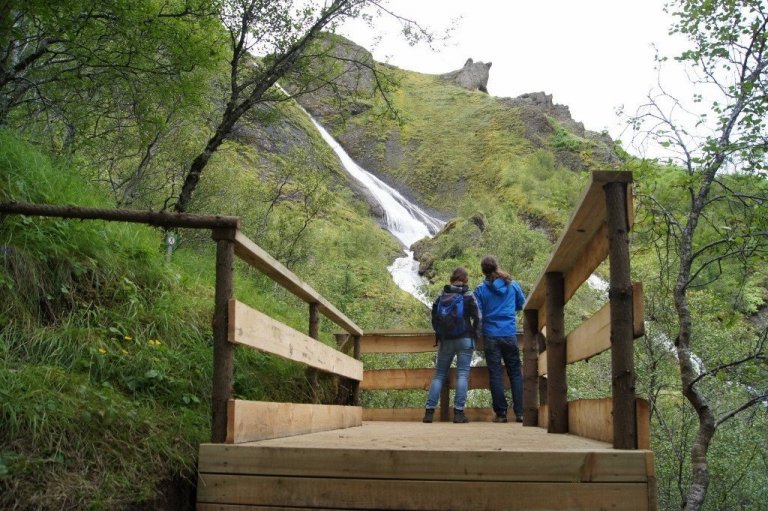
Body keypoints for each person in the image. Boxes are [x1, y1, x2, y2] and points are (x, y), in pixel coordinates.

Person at [423, 266, 479, 424]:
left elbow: (434, 316)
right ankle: (459, 414)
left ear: (451, 278)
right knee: (462, 375)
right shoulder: (468, 295)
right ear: (465, 279)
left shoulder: (442, 294)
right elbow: (478, 317)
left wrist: (440, 333)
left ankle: (429, 412)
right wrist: (475, 334)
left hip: (446, 340)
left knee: (439, 375)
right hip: (465, 339)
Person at [474, 255, 526, 423]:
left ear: (483, 271)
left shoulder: (480, 289)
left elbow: (477, 314)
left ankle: (501, 414)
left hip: (490, 335)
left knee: (495, 374)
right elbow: (522, 304)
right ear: (497, 266)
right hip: (509, 333)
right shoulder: (512, 284)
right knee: (516, 373)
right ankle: (520, 413)